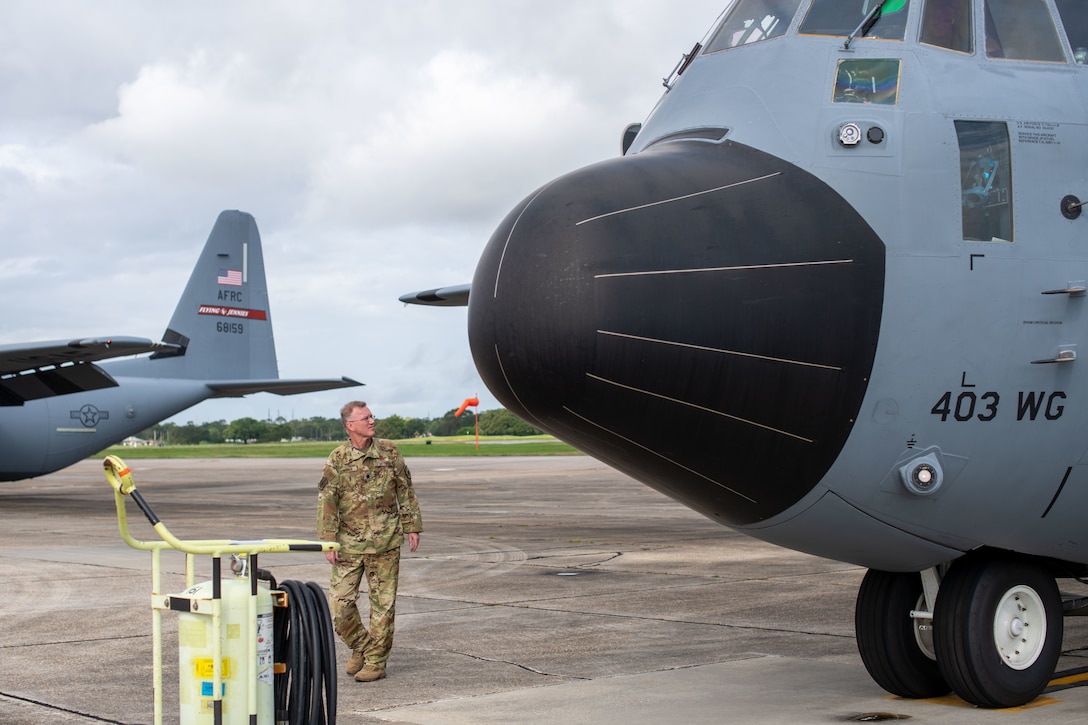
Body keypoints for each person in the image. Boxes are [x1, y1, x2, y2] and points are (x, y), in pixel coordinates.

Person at [317, 400, 423, 682]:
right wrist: (328, 539)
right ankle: (362, 647)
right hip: (349, 545)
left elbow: (405, 489)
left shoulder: (389, 451)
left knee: (383, 605)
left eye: (372, 416)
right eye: (365, 418)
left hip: (386, 542)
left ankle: (376, 662)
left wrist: (412, 526)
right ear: (350, 425)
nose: (372, 421)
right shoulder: (337, 458)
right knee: (339, 605)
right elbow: (327, 500)